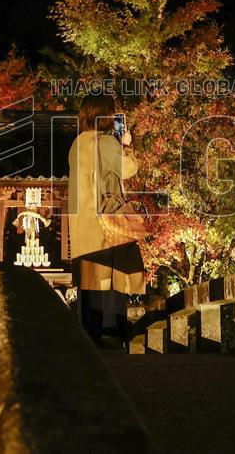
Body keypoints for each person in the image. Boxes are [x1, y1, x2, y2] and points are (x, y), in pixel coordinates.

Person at [68, 93, 139, 346]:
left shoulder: (77, 143)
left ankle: (90, 334)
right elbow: (127, 169)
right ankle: (113, 332)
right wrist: (126, 145)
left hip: (81, 223)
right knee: (113, 274)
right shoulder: (106, 142)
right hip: (105, 220)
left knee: (89, 279)